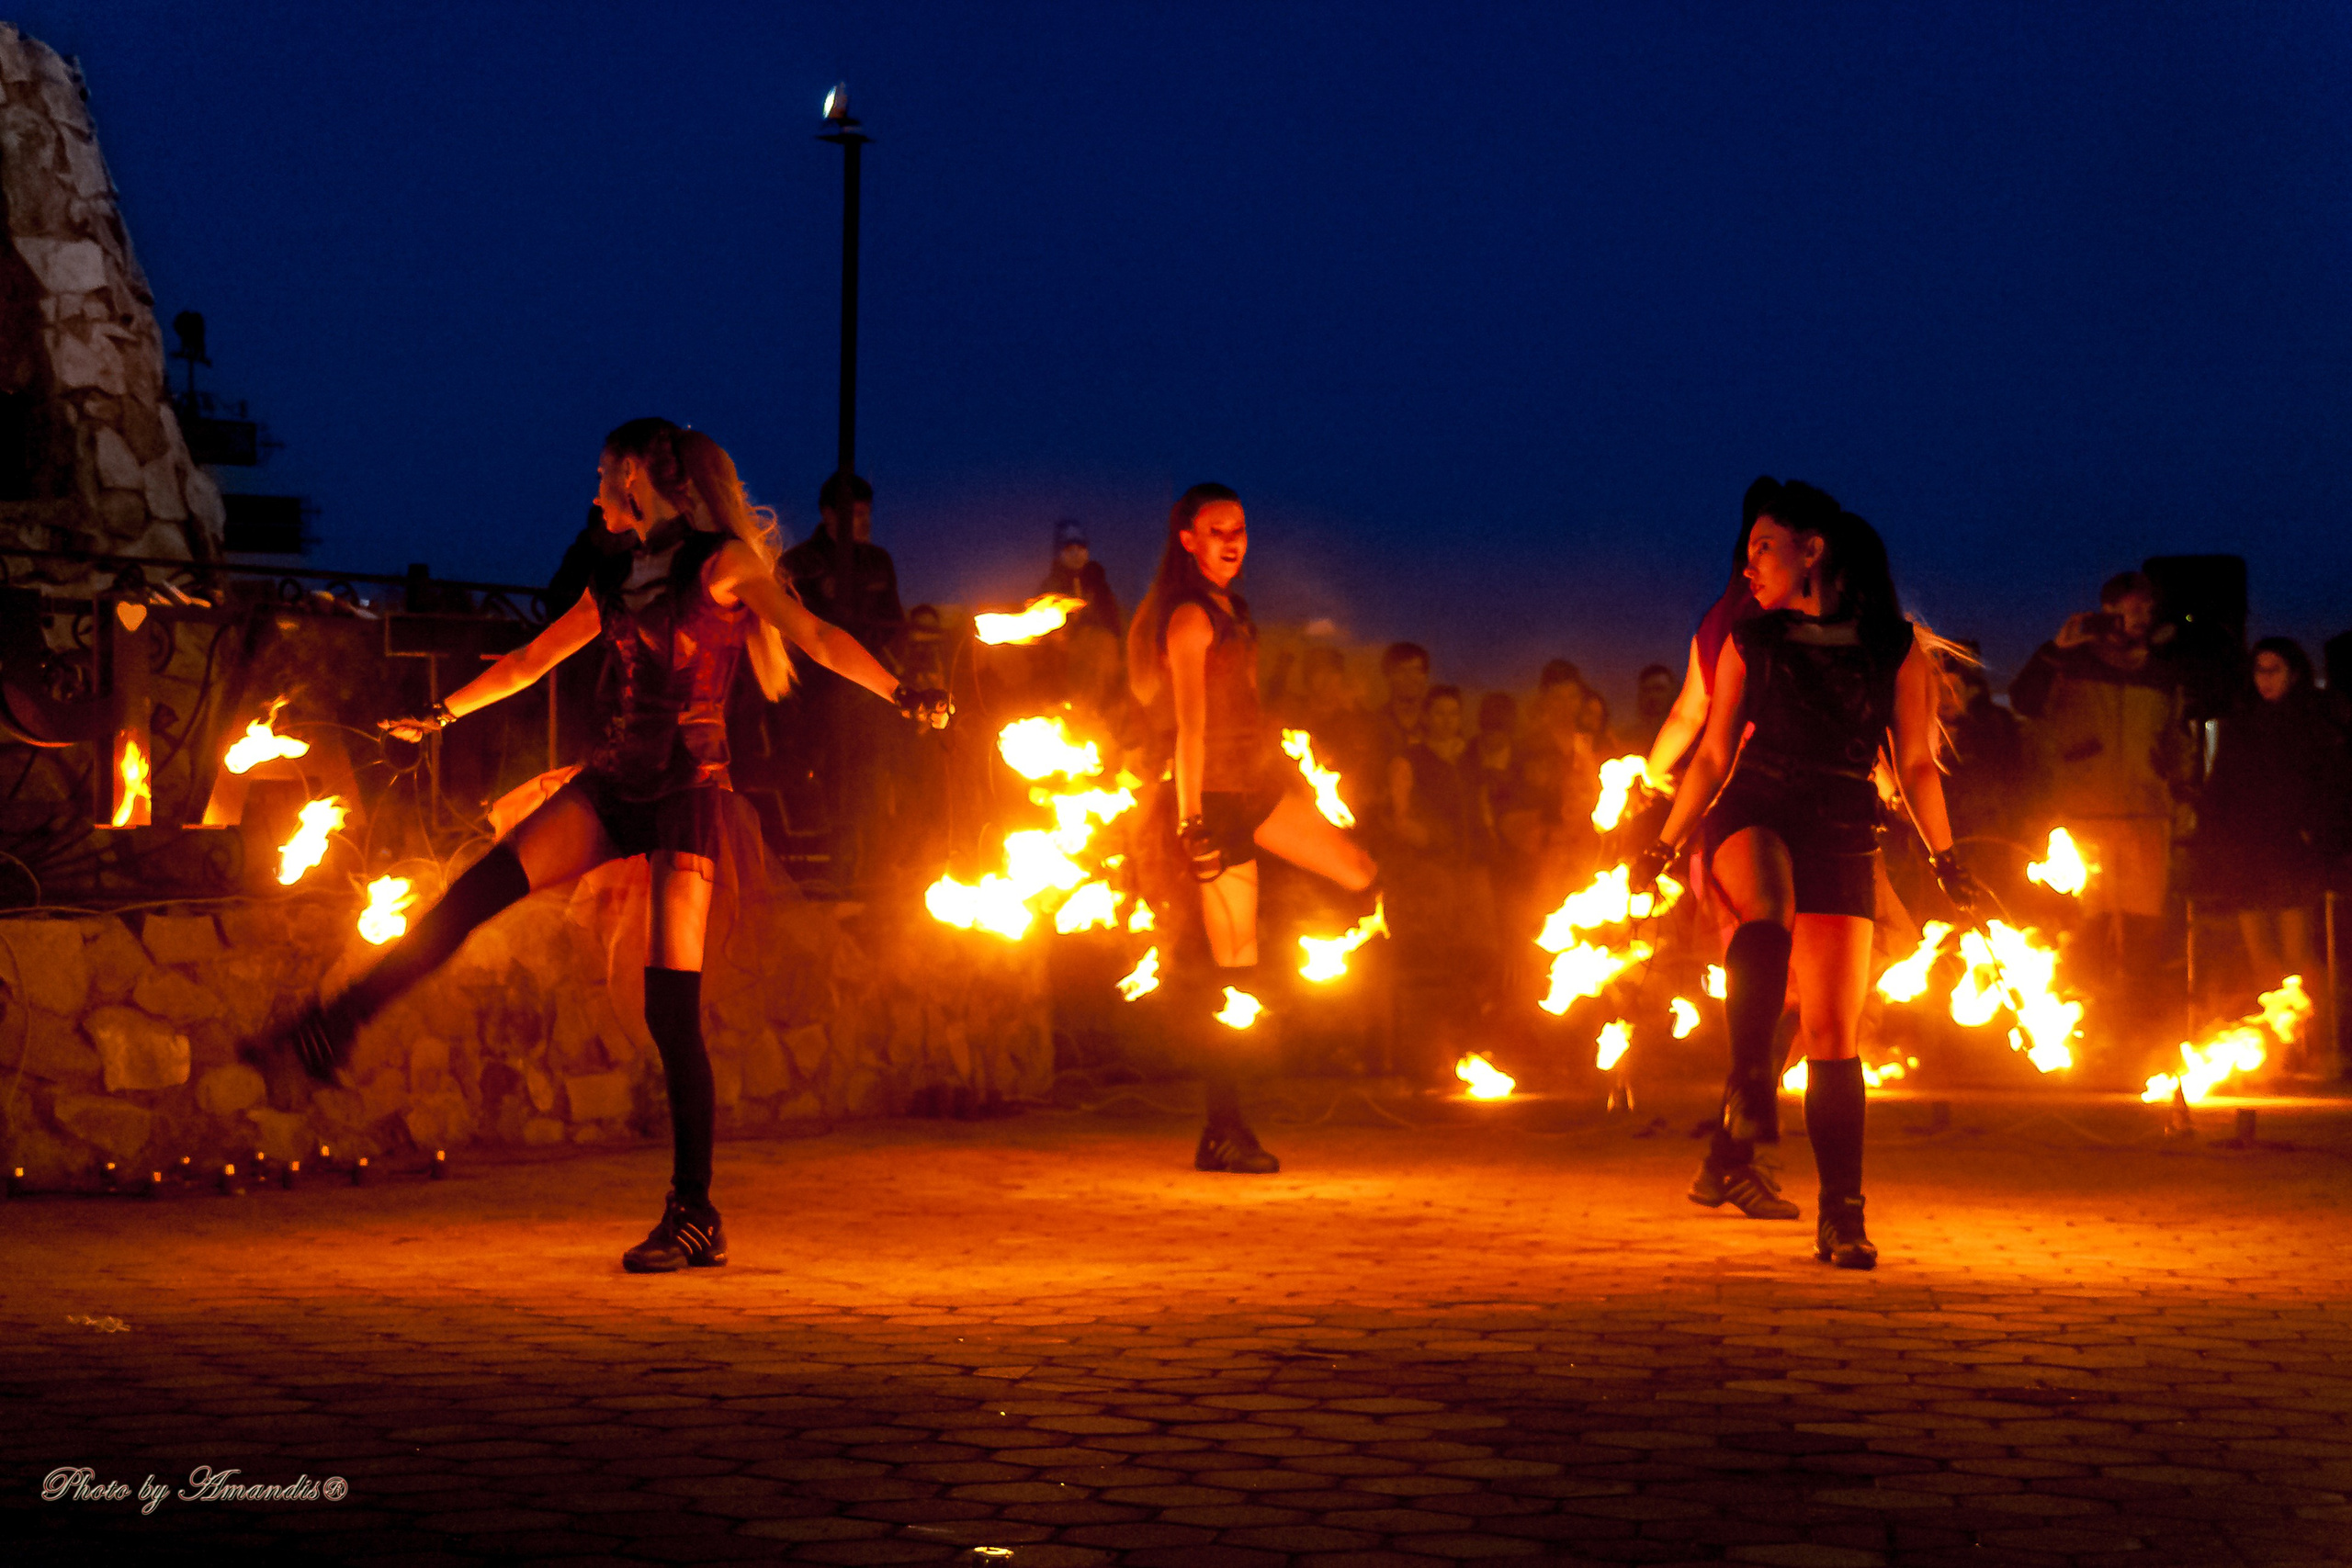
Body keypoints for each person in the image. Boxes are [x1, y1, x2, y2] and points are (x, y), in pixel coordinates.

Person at [261, 420, 949, 1271]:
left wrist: (900, 689)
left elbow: (813, 637)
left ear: (633, 476)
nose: (591, 494)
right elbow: (530, 660)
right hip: (615, 783)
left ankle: (695, 1213)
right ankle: (332, 1028)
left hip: (689, 794)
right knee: (472, 895)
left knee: (670, 1009)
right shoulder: (613, 570)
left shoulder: (723, 563)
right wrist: (438, 715)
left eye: (599, 476)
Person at [1632, 482, 1979, 1271]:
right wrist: (1664, 839)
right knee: (1767, 904)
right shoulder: (1751, 637)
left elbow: (1917, 766)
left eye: (1764, 546)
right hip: (1756, 804)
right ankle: (1750, 1079)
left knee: (1831, 1032)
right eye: (1748, 548)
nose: (1748, 563)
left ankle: (1842, 1216)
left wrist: (1947, 859)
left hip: (1843, 824)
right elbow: (1714, 753)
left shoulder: (1895, 647)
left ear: (1812, 550)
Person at [1127, 483, 1378, 1172]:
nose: (1232, 540)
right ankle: (1224, 1129)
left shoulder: (1231, 608)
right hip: (1214, 799)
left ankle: (1303, 996)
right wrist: (1192, 824)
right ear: (1187, 538)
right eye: (1216, 530)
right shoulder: (1186, 619)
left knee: (1362, 875)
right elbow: (1190, 724)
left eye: (1239, 528)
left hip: (1260, 787)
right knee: (1233, 973)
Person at [2009, 571, 2195, 1009]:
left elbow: (2177, 739)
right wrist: (2054, 653)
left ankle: (2137, 1020)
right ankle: (2084, 1021)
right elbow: (2025, 703)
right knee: (2086, 928)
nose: (2142, 618)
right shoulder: (2070, 661)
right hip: (2083, 816)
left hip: (2146, 815)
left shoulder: (2161, 671)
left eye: (2147, 609)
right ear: (2107, 612)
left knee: (2144, 928)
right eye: (2132, 609)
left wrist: (2183, 791)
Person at [2195, 637, 2346, 1043]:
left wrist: (2317, 833)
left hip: (2293, 848)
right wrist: (2213, 835)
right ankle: (2283, 1044)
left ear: (2293, 673)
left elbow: (2329, 785)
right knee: (2259, 951)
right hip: (2248, 848)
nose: (2265, 679)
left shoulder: (2314, 721)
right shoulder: (2241, 721)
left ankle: (2318, 1039)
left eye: (2274, 669)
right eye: (2259, 670)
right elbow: (2221, 783)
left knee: (2298, 952)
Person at [781, 472, 910, 886]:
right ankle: (838, 864)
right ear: (829, 514)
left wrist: (887, 666)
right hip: (817, 693)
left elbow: (895, 624)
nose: (863, 522)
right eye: (855, 514)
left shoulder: (877, 562)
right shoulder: (801, 564)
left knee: (878, 773)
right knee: (838, 773)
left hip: (872, 689)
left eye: (866, 514)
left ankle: (877, 864)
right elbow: (795, 634)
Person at [1625, 664, 1678, 754]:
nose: (1653, 696)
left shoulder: (1688, 738)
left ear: (1672, 692)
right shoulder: (1627, 739)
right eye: (1647, 690)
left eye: (1659, 689)